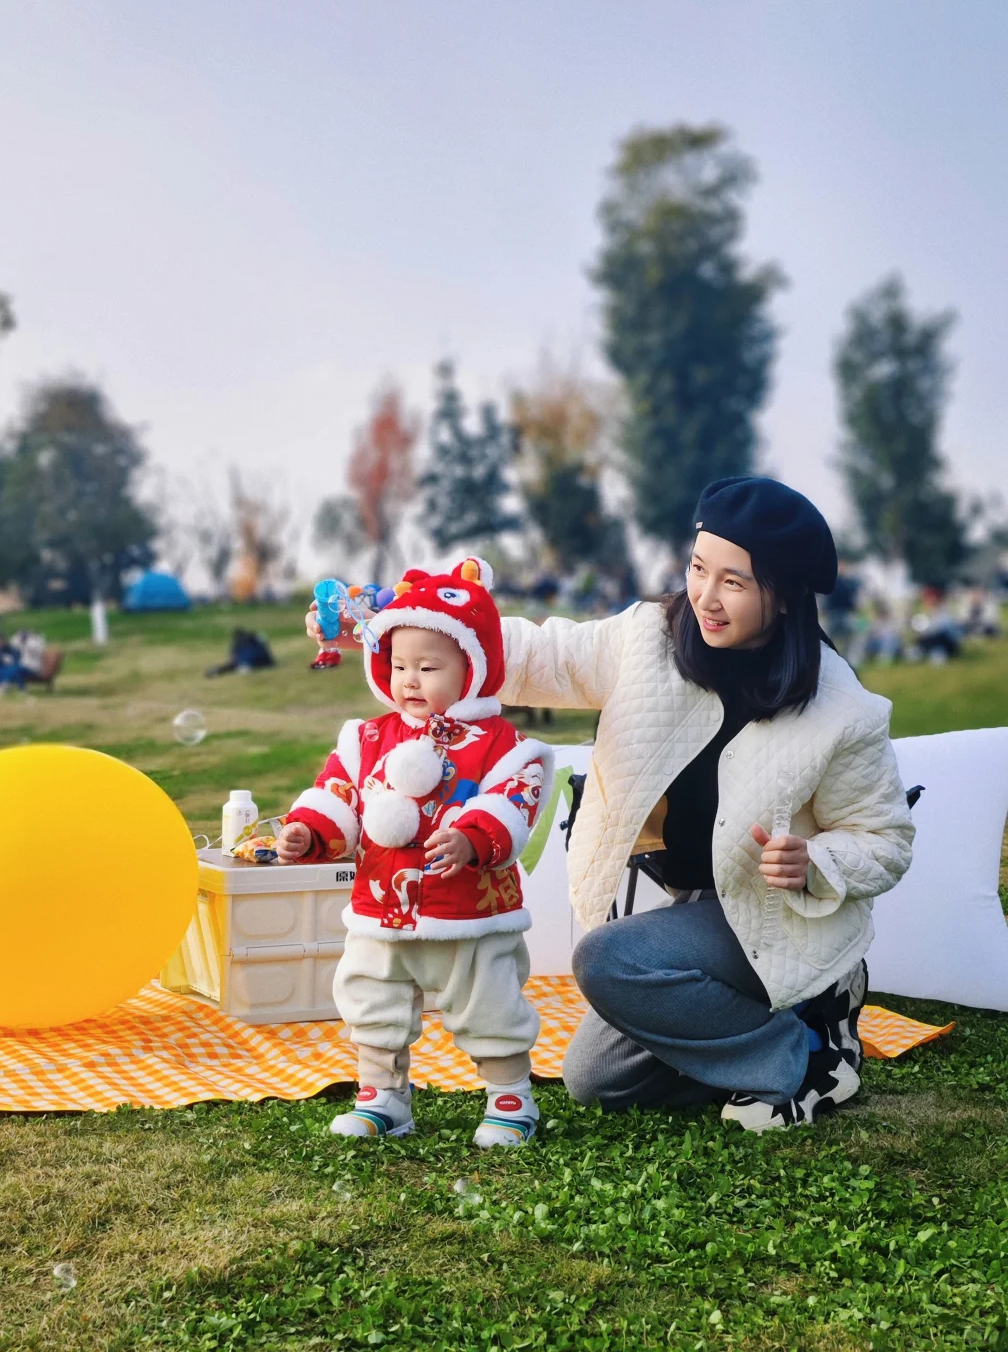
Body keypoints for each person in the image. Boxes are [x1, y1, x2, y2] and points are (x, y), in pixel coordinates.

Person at [496, 477, 915, 1131]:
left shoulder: (840, 707)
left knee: (605, 958)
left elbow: (886, 840)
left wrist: (817, 861)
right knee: (594, 1079)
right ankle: (795, 1024)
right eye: (698, 569)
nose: (705, 598)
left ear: (783, 596)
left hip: (773, 914)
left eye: (734, 582)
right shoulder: (647, 637)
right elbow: (542, 656)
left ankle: (800, 1055)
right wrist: (427, 629)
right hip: (691, 914)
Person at [284, 558, 553, 1148]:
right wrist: (311, 827)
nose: (410, 679)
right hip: (382, 905)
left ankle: (511, 1097)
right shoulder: (369, 737)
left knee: (489, 1003)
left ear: (474, 668)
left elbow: (518, 796)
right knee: (371, 995)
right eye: (399, 665)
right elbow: (340, 792)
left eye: (429, 667)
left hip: (470, 913)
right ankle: (383, 1097)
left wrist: (474, 835)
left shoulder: (500, 744)